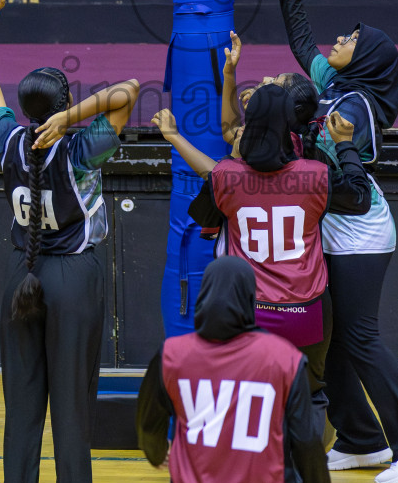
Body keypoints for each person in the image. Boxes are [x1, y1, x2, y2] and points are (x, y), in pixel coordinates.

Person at [270, 0, 398, 483]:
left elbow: (352, 183)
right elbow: (305, 48)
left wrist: (309, 173)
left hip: (360, 233)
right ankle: (361, 439)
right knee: (333, 333)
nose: (338, 41)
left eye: (349, 39)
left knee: (361, 336)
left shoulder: (357, 106)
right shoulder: (337, 86)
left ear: (367, 58)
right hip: (333, 228)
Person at [0, 0, 141, 483]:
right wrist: (73, 116)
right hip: (72, 277)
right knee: (71, 399)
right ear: (65, 106)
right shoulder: (82, 148)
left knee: (21, 399)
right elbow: (128, 93)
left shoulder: (9, 140)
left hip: (21, 275)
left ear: (25, 110)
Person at [156, 84, 370, 401]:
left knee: (248, 397)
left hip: (248, 312)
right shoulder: (316, 174)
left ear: (251, 124)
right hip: (306, 311)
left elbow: (204, 217)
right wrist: (346, 145)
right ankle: (306, 451)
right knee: (308, 397)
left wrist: (230, 159)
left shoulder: (226, 176)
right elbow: (360, 198)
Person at [136, 257, 337, 483]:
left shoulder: (172, 355)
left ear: (204, 294)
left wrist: (155, 454)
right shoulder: (285, 358)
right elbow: (306, 442)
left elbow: (147, 423)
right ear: (250, 297)